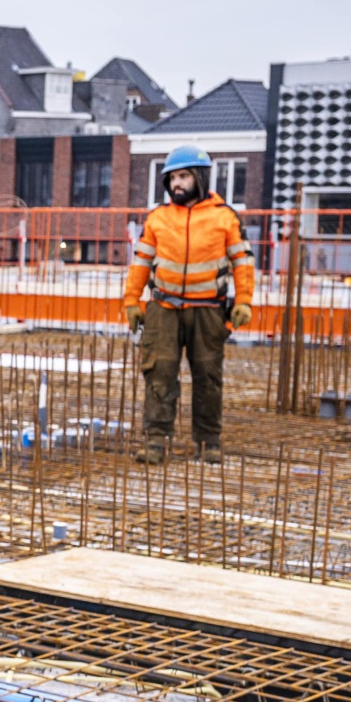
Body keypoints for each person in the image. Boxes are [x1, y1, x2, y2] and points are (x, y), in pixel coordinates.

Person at [123, 144, 256, 465]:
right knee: (159, 372)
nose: (176, 184)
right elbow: (141, 262)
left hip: (208, 310)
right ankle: (156, 441)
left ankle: (208, 441)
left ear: (199, 177)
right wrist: (132, 301)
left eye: (183, 176)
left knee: (208, 375)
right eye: (172, 179)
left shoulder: (224, 217)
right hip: (163, 309)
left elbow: (242, 262)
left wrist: (245, 301)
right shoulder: (158, 218)